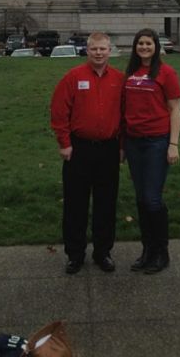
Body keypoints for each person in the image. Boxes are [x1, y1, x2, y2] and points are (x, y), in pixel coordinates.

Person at [50, 31, 124, 275]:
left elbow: (125, 116)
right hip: (79, 149)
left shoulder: (119, 79)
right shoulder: (73, 77)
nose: (99, 53)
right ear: (87, 50)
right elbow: (59, 111)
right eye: (94, 49)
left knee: (106, 204)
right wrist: (64, 143)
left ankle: (103, 252)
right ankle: (75, 254)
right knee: (75, 204)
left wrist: (122, 146)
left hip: (109, 149)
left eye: (103, 49)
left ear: (109, 50)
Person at [123, 29, 180, 274]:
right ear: (135, 47)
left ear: (156, 46)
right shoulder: (130, 73)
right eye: (140, 43)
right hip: (134, 142)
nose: (144, 47)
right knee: (140, 198)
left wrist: (173, 143)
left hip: (157, 141)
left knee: (152, 198)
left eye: (148, 43)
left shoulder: (166, 72)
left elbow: (175, 109)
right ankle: (147, 250)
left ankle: (161, 251)